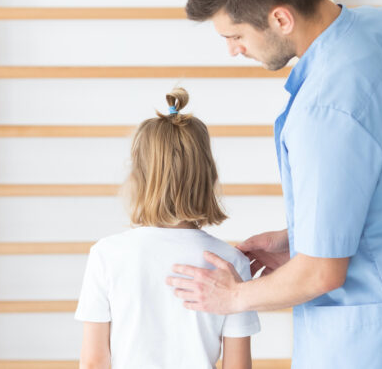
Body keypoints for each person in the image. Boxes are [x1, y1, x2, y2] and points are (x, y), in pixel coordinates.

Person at [167, 0, 382, 368]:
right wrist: (302, 237)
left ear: (280, 18)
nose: (234, 51)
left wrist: (233, 296)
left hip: (373, 342)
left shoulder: (325, 110)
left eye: (235, 35)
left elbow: (321, 273)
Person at [76, 88, 259, 369]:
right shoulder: (231, 263)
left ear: (137, 177)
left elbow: (93, 362)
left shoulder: (106, 254)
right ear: (208, 176)